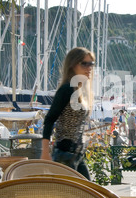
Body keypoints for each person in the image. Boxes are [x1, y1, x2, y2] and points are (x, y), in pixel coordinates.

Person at [40, 47, 95, 180]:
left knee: (89, 194)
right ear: (73, 65)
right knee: (74, 196)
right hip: (64, 153)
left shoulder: (79, 89)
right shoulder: (67, 89)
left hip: (76, 153)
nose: (89, 68)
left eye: (91, 64)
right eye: (84, 63)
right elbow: (50, 119)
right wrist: (45, 152)